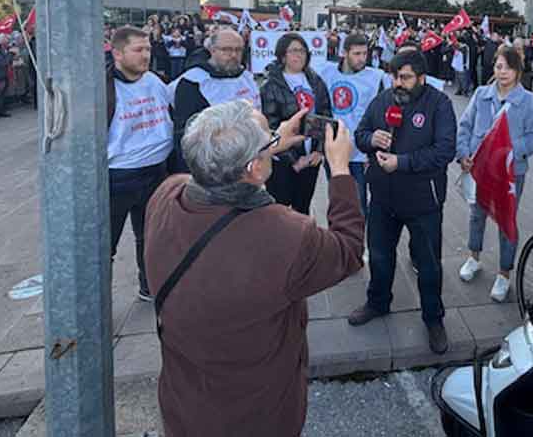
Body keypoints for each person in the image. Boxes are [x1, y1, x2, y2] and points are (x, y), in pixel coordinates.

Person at [144, 101, 362, 437]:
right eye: (266, 141)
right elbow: (348, 251)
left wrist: (271, 142)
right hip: (258, 411)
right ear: (253, 168)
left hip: (184, 402)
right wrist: (341, 169)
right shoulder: (287, 235)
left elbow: (217, 175)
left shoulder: (166, 195)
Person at [349, 49, 457, 354]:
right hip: (383, 197)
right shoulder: (383, 100)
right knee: (380, 256)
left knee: (428, 265)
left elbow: (445, 150)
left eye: (406, 77)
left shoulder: (440, 104)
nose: (399, 82)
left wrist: (403, 162)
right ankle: (377, 303)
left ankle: (433, 318)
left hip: (424, 200)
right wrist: (372, 140)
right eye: (395, 76)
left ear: (422, 78)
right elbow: (360, 133)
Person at [457, 47, 533, 302]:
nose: (502, 72)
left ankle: (504, 272)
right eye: (498, 67)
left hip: (510, 173)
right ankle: (473, 257)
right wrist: (464, 153)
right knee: (477, 214)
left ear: (518, 71)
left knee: (506, 219)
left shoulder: (530, 101)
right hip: (480, 169)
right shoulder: (481, 94)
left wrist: (507, 153)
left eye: (507, 67)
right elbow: (465, 126)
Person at [106, 26, 174, 301]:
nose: (146, 55)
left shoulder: (154, 81)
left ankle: (150, 286)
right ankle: (97, 305)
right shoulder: (103, 87)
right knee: (104, 244)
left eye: (147, 49)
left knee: (150, 237)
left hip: (156, 172)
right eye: (138, 50)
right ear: (118, 53)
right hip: (118, 176)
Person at [318, 33, 388, 217]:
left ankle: (356, 243)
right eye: (357, 54)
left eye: (365, 54)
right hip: (334, 149)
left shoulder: (375, 77)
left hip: (359, 152)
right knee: (337, 200)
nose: (362, 59)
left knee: (358, 205)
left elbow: (379, 116)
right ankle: (337, 241)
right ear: (344, 52)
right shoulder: (327, 72)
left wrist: (370, 152)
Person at [261, 33, 331, 215]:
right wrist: (294, 161)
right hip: (283, 162)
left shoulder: (315, 81)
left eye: (302, 51)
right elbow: (271, 126)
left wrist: (319, 151)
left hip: (310, 159)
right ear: (282, 55)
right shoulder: (270, 86)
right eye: (293, 51)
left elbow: (326, 114)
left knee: (302, 211)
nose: (299, 55)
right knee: (279, 213)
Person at [171, 28, 259, 171]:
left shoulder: (246, 77)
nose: (233, 55)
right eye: (226, 50)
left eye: (238, 50)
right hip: (213, 165)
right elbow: (185, 131)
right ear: (212, 50)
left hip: (249, 157)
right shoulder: (194, 81)